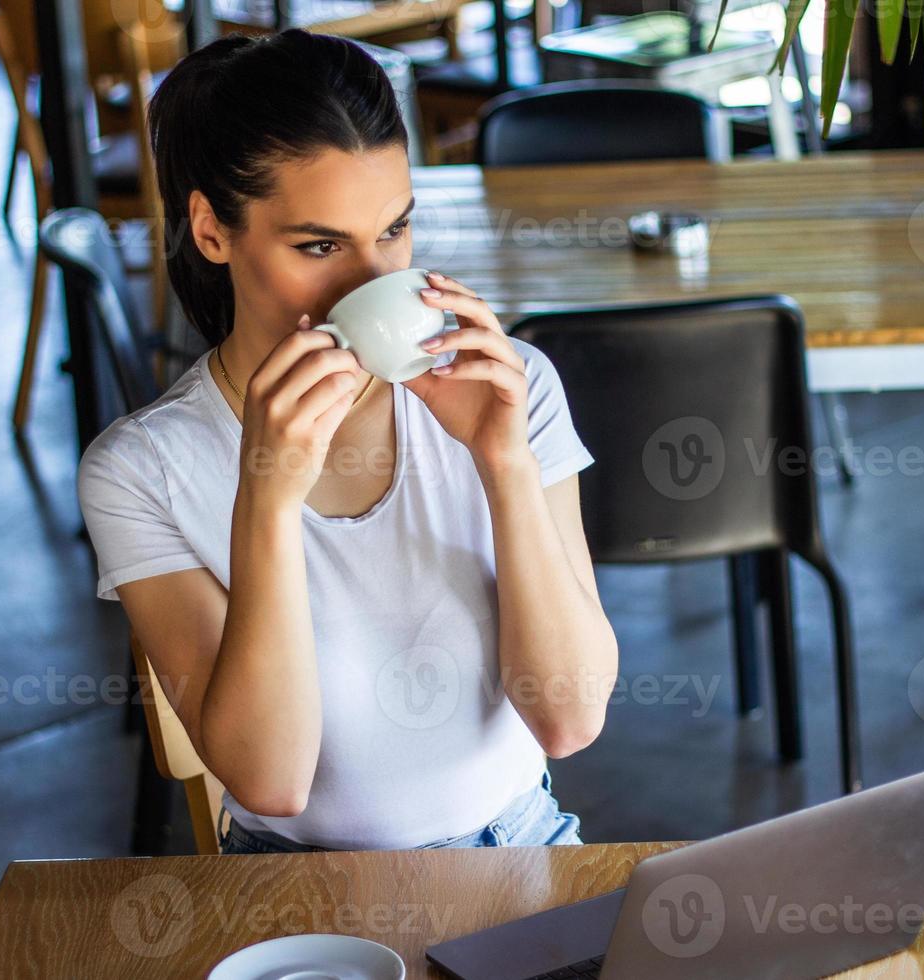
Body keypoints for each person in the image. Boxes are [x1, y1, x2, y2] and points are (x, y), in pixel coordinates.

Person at [77, 29, 618, 854]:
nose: (373, 285)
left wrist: (503, 464)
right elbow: (270, 781)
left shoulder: (512, 388)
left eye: (394, 231)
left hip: (523, 844)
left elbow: (568, 718)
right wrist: (266, 493)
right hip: (295, 883)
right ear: (213, 232)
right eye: (320, 245)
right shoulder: (140, 471)